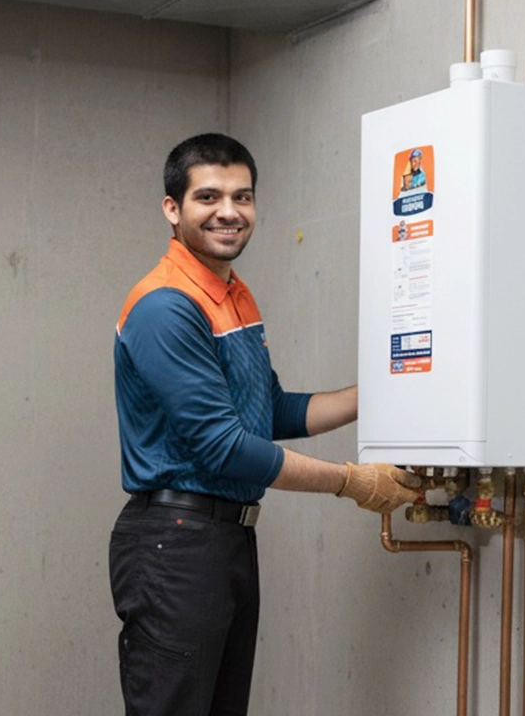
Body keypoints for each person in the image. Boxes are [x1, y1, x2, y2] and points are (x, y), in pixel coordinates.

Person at [109, 133, 421, 716]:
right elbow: (224, 446)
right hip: (175, 542)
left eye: (242, 196)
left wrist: (380, 395)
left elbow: (267, 411)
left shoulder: (232, 294)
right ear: (172, 209)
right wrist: (352, 481)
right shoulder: (165, 305)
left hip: (223, 538)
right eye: (208, 197)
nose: (229, 211)